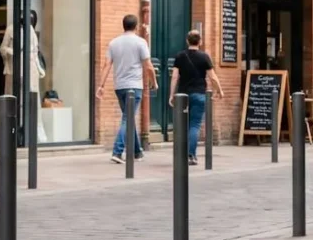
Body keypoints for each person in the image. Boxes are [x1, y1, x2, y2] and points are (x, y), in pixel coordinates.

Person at [96, 14, 155, 164]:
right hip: (134, 87)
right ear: (136, 26)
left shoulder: (113, 43)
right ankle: (117, 151)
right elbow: (148, 66)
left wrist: (101, 85)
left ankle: (137, 152)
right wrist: (154, 82)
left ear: (123, 25)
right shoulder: (141, 42)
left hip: (120, 87)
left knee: (128, 117)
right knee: (127, 118)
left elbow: (107, 65)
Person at [169, 31, 225, 166]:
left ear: (187, 41)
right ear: (200, 42)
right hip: (199, 94)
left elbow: (175, 77)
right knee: (194, 125)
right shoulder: (204, 57)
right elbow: (212, 77)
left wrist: (171, 95)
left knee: (183, 125)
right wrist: (219, 90)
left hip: (183, 95)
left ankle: (180, 155)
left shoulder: (180, 56)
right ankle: (191, 155)